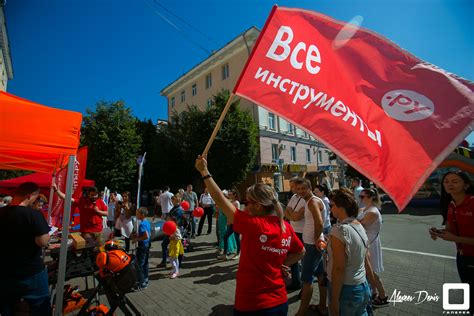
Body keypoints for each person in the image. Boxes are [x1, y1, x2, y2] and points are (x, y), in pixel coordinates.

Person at [195, 155, 305, 315]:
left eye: (247, 203)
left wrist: (204, 171)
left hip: (252, 304)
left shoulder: (255, 225)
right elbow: (300, 252)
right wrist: (282, 264)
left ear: (258, 206)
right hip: (280, 302)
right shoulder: (285, 226)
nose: (245, 207)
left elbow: (219, 199)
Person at [0, 182, 52, 315]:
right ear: (30, 196)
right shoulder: (33, 214)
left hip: (5, 271)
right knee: (40, 307)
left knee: (8, 307)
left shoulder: (1, 212)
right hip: (30, 271)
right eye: (37, 197)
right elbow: (42, 240)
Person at [429, 171, 474, 313]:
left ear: (466, 185)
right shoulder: (451, 205)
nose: (449, 184)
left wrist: (455, 239)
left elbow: (454, 237)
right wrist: (438, 232)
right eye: (446, 181)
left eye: (455, 181)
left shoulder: (472, 202)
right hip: (462, 257)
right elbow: (450, 230)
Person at [327, 189, 375, 316]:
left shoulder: (339, 231)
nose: (330, 209)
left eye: (332, 205)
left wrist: (335, 300)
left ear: (341, 208)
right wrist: (373, 286)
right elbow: (366, 259)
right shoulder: (358, 225)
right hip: (362, 286)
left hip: (346, 289)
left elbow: (338, 268)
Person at [289, 178, 325, 316]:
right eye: (298, 189)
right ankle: (322, 306)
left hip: (311, 245)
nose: (301, 191)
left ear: (310, 188)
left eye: (304, 188)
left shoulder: (312, 202)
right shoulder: (310, 201)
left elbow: (320, 223)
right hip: (313, 243)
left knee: (306, 280)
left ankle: (301, 312)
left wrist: (316, 239)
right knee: (321, 275)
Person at [358, 188, 388, 308]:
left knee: (372, 271)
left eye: (362, 197)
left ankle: (383, 296)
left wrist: (355, 220)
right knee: (368, 271)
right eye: (360, 196)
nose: (360, 199)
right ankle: (374, 293)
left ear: (371, 197)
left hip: (370, 242)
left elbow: (359, 224)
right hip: (366, 241)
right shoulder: (365, 209)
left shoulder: (373, 211)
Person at [283, 177, 306, 291]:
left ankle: (304, 286)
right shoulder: (293, 197)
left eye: (292, 186)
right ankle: (296, 281)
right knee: (293, 259)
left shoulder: (304, 199)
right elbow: (286, 212)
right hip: (293, 231)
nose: (291, 188)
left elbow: (297, 217)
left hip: (303, 232)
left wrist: (291, 214)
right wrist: (292, 214)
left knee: (303, 259)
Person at [132, 207, 151, 289]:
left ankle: (142, 283)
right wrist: (138, 235)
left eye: (137, 213)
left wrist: (137, 239)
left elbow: (146, 236)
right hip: (147, 245)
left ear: (142, 215)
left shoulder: (142, 224)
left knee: (139, 265)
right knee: (145, 263)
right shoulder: (147, 222)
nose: (136, 215)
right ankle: (145, 279)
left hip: (142, 246)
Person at [220, 188, 241, 260]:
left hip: (236, 223)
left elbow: (235, 213)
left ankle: (238, 253)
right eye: (228, 194)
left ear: (234, 195)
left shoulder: (236, 203)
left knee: (236, 238)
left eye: (230, 194)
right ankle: (224, 254)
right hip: (231, 223)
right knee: (225, 237)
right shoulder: (231, 201)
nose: (229, 195)